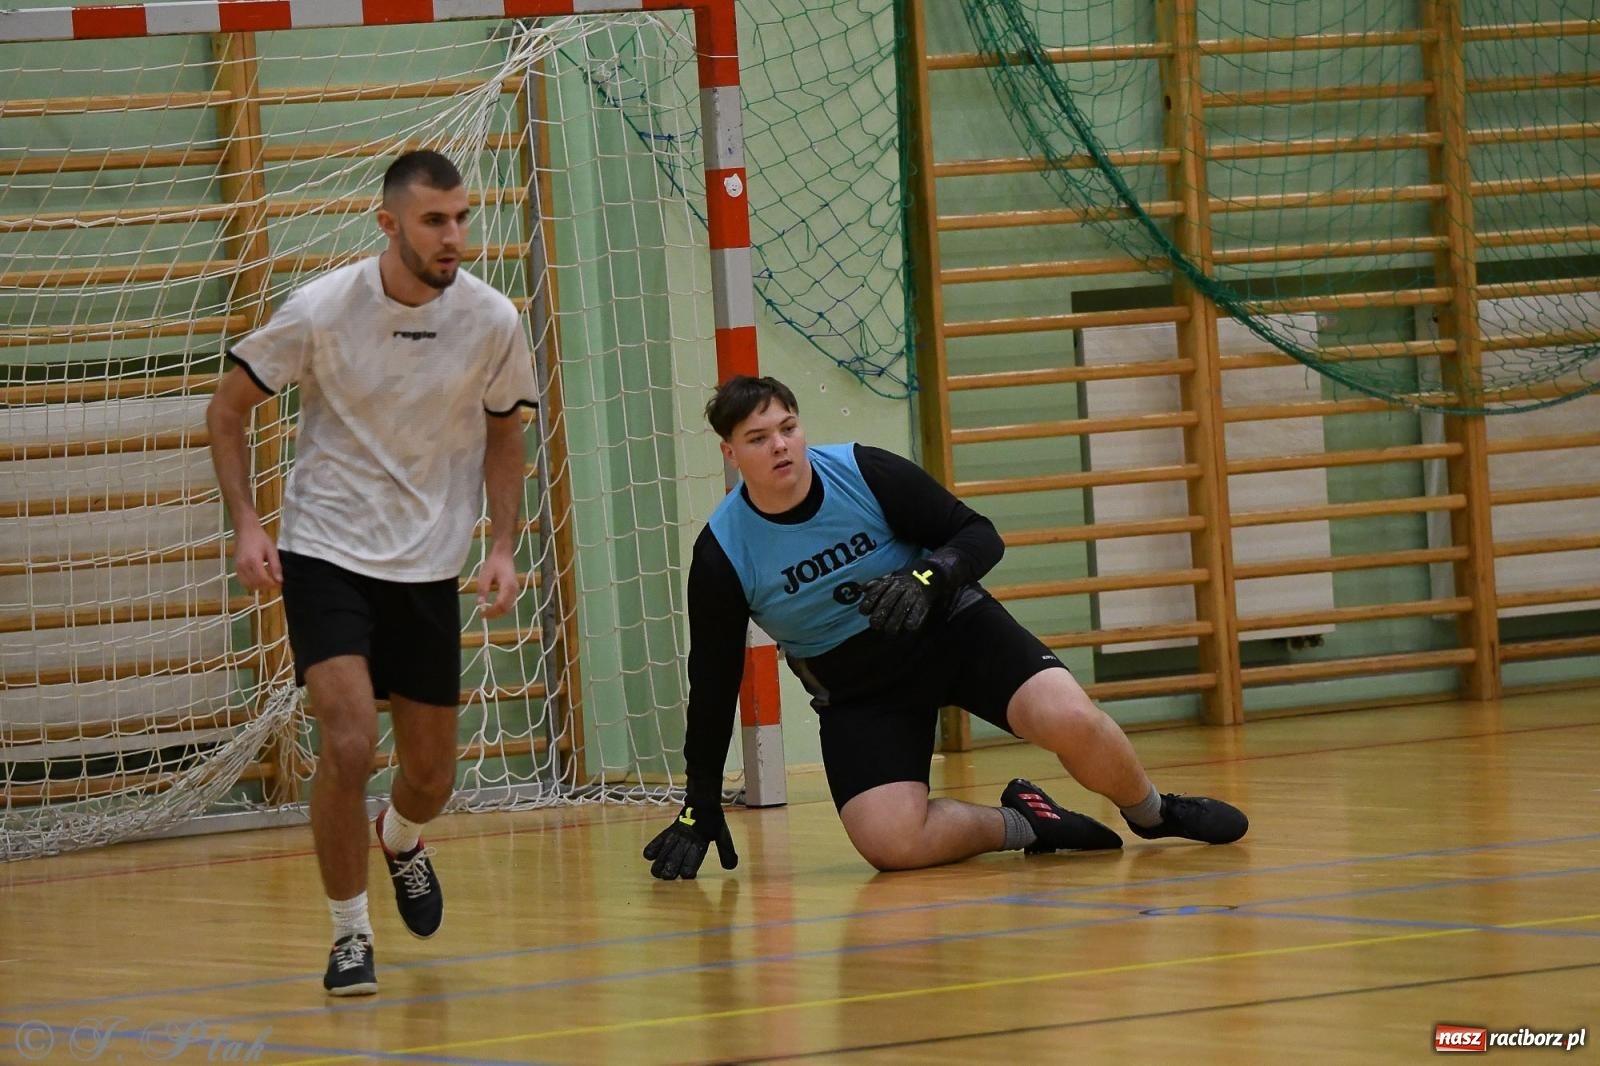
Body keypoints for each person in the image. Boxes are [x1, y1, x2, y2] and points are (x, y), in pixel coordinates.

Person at [643, 376, 1247, 881]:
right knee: (891, 846)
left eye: (788, 428)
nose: (780, 446)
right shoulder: (723, 553)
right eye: (758, 438)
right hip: (862, 691)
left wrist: (929, 576)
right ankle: (1029, 822)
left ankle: (1152, 811)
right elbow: (716, 679)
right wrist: (700, 798)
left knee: (1071, 717)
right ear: (731, 454)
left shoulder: (863, 471)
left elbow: (979, 533)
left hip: (955, 632)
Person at [206, 150, 537, 994]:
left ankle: (402, 836)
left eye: (461, 217)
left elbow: (507, 435)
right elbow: (227, 410)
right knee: (348, 740)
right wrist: (248, 524)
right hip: (327, 550)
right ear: (389, 224)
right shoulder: (321, 310)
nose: (454, 235)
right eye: (434, 220)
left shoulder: (494, 320)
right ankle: (350, 934)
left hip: (429, 562)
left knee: (430, 777)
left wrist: (501, 544)